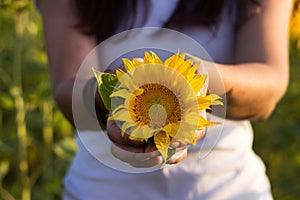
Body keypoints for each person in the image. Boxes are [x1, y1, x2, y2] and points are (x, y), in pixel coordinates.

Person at [37, 0, 293, 199]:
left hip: (228, 189)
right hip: (103, 190)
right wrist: (115, 96)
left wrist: (200, 80)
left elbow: (268, 84)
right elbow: (68, 87)